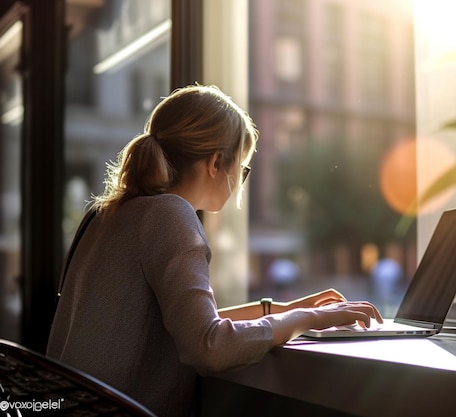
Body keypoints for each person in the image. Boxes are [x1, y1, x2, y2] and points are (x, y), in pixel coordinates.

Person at [47, 84, 382, 417]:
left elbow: (185, 323)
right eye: (242, 167)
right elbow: (208, 347)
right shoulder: (171, 215)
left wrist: (282, 310)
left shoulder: (107, 213)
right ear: (216, 162)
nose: (240, 178)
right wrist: (309, 318)